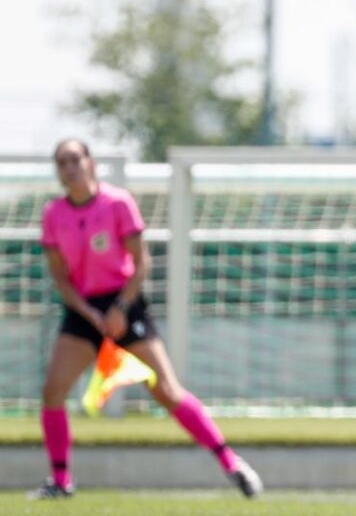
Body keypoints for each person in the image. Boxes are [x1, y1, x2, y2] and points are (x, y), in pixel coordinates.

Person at [29, 139, 263, 500]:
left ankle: (232, 464)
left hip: (125, 304)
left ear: (90, 162)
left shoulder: (117, 203)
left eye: (75, 159)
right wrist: (90, 313)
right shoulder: (53, 214)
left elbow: (141, 265)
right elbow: (59, 276)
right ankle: (60, 482)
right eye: (61, 162)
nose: (69, 167)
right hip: (83, 310)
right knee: (53, 390)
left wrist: (120, 309)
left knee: (167, 391)